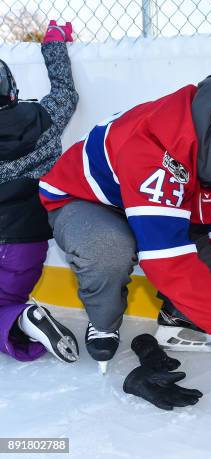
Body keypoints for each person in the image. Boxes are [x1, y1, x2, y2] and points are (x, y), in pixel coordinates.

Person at [39, 75, 211, 373]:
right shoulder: (154, 150)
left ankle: (180, 316)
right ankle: (103, 323)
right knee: (111, 246)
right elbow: (167, 260)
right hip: (84, 201)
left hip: (136, 194)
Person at [0, 21, 79, 363]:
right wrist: (55, 42)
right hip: (28, 245)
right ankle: (21, 317)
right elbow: (65, 92)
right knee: (7, 298)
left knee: (5, 308)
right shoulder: (43, 117)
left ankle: (21, 319)